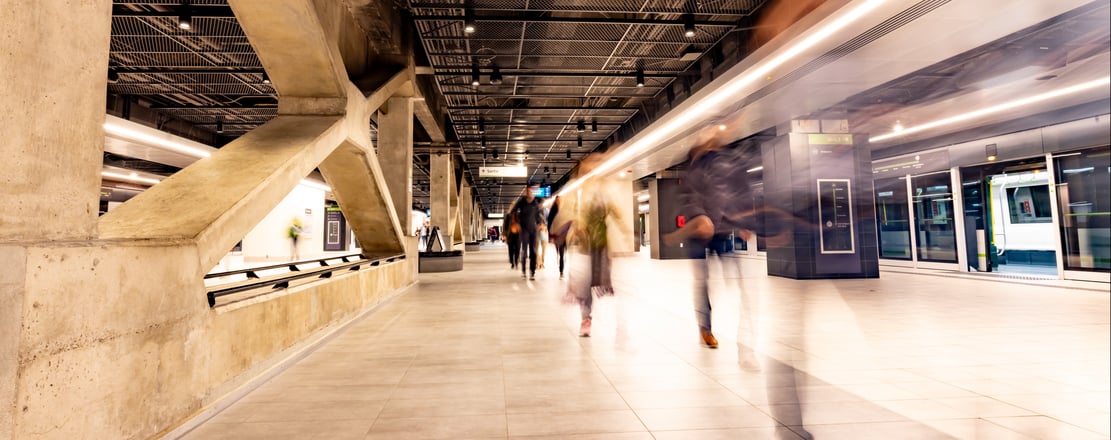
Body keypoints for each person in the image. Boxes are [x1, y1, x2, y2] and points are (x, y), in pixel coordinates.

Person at [663, 127, 762, 371]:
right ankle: (705, 328)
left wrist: (743, 222)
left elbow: (738, 192)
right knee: (704, 281)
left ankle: (746, 348)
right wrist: (699, 217)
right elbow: (689, 197)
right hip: (700, 232)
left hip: (722, 231)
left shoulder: (725, 162)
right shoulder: (694, 167)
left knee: (740, 284)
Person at [552, 153, 627, 337]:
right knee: (583, 284)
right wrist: (571, 226)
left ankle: (602, 317)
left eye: (595, 166)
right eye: (588, 165)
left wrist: (625, 231)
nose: (591, 169)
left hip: (600, 244)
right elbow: (564, 214)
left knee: (597, 281)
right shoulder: (574, 190)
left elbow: (615, 211)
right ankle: (586, 318)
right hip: (581, 245)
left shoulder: (603, 191)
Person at [509, 185, 546, 280]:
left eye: (531, 192)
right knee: (524, 250)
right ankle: (524, 271)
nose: (530, 194)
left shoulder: (535, 203)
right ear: (526, 193)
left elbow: (539, 216)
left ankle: (532, 272)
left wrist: (540, 223)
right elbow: (512, 211)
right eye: (528, 192)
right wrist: (516, 223)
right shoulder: (521, 202)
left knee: (533, 251)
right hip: (524, 229)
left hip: (534, 230)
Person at [547, 196, 568, 279]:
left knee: (564, 253)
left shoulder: (565, 211)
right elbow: (549, 223)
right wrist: (550, 235)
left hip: (565, 234)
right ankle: (561, 271)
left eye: (560, 200)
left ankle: (562, 268)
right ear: (555, 202)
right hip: (557, 234)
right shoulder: (553, 211)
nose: (559, 202)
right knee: (561, 252)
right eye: (557, 200)